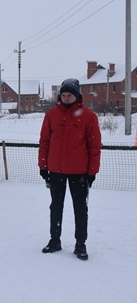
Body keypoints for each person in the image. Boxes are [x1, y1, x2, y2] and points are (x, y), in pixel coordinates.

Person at [38, 78, 101, 261]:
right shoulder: (51, 115)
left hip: (79, 173)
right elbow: (44, 142)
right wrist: (43, 166)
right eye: (63, 95)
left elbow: (94, 147)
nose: (66, 98)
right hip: (55, 171)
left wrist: (91, 173)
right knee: (56, 207)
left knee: (80, 209)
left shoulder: (89, 117)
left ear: (77, 96)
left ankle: (80, 244)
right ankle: (54, 241)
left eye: (70, 95)